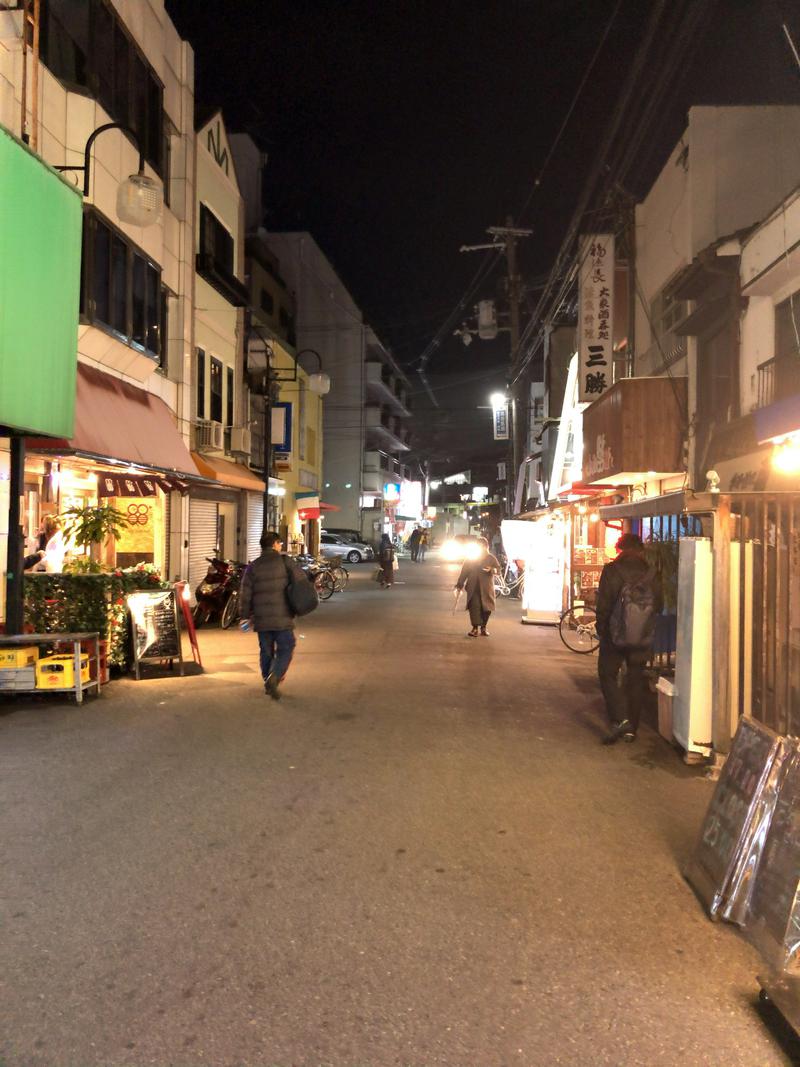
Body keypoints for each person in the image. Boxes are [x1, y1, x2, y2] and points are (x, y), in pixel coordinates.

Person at [595, 532, 663, 744]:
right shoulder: (653, 574)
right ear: (641, 551)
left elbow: (604, 604)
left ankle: (620, 718)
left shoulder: (612, 571)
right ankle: (631, 729)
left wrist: (602, 628)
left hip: (614, 636)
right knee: (635, 679)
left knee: (607, 674)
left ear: (621, 549)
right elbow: (659, 606)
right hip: (642, 636)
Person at [239, 531, 305, 700]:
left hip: (261, 617)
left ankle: (268, 682)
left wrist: (244, 616)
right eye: (280, 543)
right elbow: (301, 580)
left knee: (266, 650)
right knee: (287, 646)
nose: (280, 546)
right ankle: (274, 677)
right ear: (275, 544)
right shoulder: (285, 562)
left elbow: (245, 594)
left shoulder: (253, 566)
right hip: (282, 615)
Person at [455, 537, 500, 637]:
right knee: (474, 607)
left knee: (487, 608)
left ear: (486, 546)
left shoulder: (491, 558)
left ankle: (483, 627)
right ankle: (475, 628)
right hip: (473, 586)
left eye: (482, 546)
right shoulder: (471, 558)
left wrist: (492, 569)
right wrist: (460, 584)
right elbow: (464, 572)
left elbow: (498, 569)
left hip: (486, 588)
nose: (481, 548)